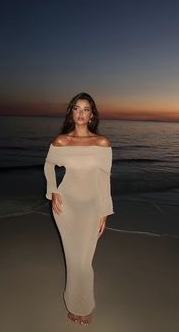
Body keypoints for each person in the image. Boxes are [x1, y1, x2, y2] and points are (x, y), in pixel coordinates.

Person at [44, 92, 114, 326]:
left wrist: (104, 210)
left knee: (84, 261)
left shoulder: (102, 142)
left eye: (86, 109)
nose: (81, 113)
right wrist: (53, 190)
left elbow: (105, 179)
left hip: (92, 207)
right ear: (71, 112)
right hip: (67, 206)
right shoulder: (61, 141)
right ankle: (77, 305)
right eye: (77, 108)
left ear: (92, 114)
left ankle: (83, 305)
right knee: (73, 259)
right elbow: (48, 165)